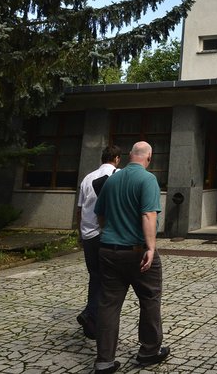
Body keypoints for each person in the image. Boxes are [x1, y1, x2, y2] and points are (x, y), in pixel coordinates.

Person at [93, 141, 169, 373]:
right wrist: (150, 247)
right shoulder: (148, 180)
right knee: (149, 299)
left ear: (129, 156)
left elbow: (100, 215)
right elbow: (148, 215)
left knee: (107, 305)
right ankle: (149, 351)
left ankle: (104, 361)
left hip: (108, 250)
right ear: (149, 157)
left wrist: (112, 234)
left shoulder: (113, 179)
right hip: (137, 252)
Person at [75, 145, 121, 339]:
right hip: (104, 233)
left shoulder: (87, 177)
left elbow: (79, 208)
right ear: (117, 158)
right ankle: (91, 313)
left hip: (87, 233)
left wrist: (79, 232)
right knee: (108, 278)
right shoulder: (117, 176)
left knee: (95, 276)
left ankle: (92, 322)